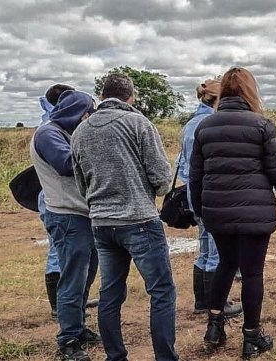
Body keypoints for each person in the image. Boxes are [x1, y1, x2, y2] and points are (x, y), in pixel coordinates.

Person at [189, 67, 276, 359]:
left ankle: (214, 326)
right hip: (255, 214)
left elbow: (196, 175)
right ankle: (251, 337)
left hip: (217, 212)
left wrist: (201, 210)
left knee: (225, 265)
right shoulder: (262, 125)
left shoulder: (205, 127)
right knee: (252, 273)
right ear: (251, 91)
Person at [71, 74, 178, 361]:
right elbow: (161, 177)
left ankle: (115, 356)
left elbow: (81, 184)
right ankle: (165, 357)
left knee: (110, 293)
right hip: (139, 220)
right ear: (130, 96)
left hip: (102, 223)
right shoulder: (138, 124)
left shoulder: (80, 131)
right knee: (162, 292)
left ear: (103, 95)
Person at [31, 90, 100, 361]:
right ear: (76, 112)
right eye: (87, 112)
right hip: (67, 214)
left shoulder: (63, 131)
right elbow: (65, 164)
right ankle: (68, 338)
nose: (89, 117)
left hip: (82, 213)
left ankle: (78, 327)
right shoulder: (49, 134)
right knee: (72, 278)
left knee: (86, 275)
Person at [177, 79, 242, 317]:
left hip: (194, 193)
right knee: (217, 251)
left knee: (205, 248)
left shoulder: (190, 124)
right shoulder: (208, 124)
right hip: (209, 195)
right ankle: (218, 303)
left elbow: (183, 164)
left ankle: (202, 301)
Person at [38, 84, 74, 318]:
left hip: (55, 196)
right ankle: (58, 305)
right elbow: (66, 164)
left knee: (63, 251)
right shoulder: (50, 130)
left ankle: (65, 301)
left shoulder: (52, 125)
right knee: (58, 251)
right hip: (56, 199)